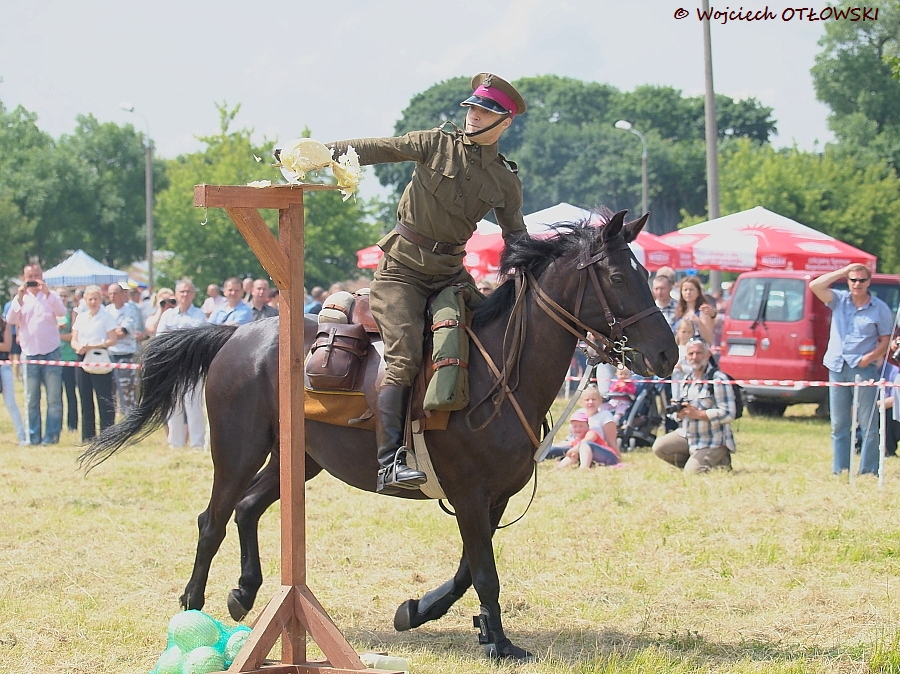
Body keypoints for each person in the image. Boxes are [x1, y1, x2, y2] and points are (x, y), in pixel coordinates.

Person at [325, 72, 527, 493]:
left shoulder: (505, 180)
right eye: (472, 108)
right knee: (404, 359)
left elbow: (517, 238)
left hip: (451, 276)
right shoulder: (436, 143)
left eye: (485, 111)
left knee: (492, 340)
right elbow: (379, 148)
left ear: (505, 122)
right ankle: (390, 462)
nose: (473, 116)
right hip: (401, 272)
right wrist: (320, 153)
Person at [810, 263, 892, 476]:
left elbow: (886, 341)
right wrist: (843, 270)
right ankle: (841, 470)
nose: (857, 284)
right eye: (853, 280)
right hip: (837, 366)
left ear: (869, 282)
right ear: (847, 281)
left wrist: (869, 358)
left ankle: (868, 471)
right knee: (839, 424)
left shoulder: (880, 308)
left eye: (862, 280)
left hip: (863, 369)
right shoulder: (839, 300)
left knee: (868, 423)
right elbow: (815, 286)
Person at [653, 337, 736, 473]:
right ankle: (695, 462)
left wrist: (699, 414)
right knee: (659, 447)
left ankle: (720, 460)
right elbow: (679, 411)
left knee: (691, 474)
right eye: (691, 354)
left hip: (713, 441)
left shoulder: (718, 379)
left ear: (708, 355)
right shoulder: (686, 379)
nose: (694, 357)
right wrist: (679, 414)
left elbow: (728, 413)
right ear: (686, 357)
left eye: (699, 353)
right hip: (689, 436)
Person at [5, 263, 67, 445]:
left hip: (51, 352)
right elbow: (10, 320)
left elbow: (62, 313)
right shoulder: (20, 299)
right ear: (24, 278)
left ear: (42, 276)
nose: (33, 279)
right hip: (29, 353)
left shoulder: (51, 296)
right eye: (30, 276)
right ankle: (33, 437)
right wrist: (19, 297)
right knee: (31, 399)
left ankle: (51, 437)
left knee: (54, 398)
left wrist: (48, 294)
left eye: (37, 275)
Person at [156, 280, 208, 449]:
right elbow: (160, 339)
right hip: (172, 366)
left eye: (188, 292)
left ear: (193, 294)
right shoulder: (168, 315)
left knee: (194, 406)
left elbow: (199, 340)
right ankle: (175, 443)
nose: (185, 295)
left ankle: (197, 444)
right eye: (182, 292)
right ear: (176, 294)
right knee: (174, 405)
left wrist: (175, 339)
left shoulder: (199, 315)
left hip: (192, 367)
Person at [71, 285, 119, 441]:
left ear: (101, 299)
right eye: (90, 299)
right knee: (85, 398)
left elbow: (113, 339)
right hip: (82, 358)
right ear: (85, 300)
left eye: (96, 299)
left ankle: (107, 434)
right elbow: (74, 339)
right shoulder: (81, 317)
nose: (93, 302)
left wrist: (94, 346)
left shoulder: (106, 317)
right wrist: (78, 347)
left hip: (100, 357)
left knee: (104, 397)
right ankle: (88, 436)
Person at [105, 283, 143, 416]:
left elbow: (123, 332)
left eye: (115, 293)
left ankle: (130, 420)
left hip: (126, 355)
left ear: (122, 294)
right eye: (110, 294)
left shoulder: (130, 310)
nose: (112, 296)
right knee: (109, 393)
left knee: (127, 393)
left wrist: (110, 333)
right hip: (109, 354)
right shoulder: (107, 310)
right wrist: (113, 332)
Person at [555, 410, 622, 469]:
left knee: (583, 445)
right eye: (575, 426)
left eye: (581, 426)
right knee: (573, 454)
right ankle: (560, 467)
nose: (578, 429)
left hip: (610, 457)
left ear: (588, 426)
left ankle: (584, 468)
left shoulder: (591, 433)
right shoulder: (577, 441)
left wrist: (574, 448)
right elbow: (563, 444)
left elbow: (587, 440)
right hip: (600, 461)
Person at [0, 311, 28, 444]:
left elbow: (7, 346)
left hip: (3, 367)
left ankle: (22, 436)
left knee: (11, 403)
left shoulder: (4, 324)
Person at [55, 287, 79, 433]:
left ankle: (72, 425)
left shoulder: (72, 313)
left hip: (70, 358)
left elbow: (73, 336)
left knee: (71, 393)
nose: (62, 298)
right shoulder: (52, 313)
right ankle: (56, 425)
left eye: (65, 296)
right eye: (60, 296)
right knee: (55, 395)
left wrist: (56, 334)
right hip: (54, 358)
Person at [674, 276, 716, 346]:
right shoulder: (679, 311)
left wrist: (698, 322)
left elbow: (709, 339)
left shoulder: (703, 311)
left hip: (698, 349)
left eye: (691, 290)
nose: (688, 292)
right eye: (685, 290)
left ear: (698, 292)